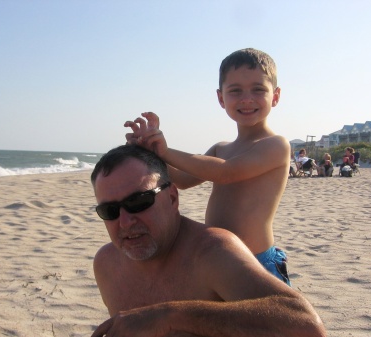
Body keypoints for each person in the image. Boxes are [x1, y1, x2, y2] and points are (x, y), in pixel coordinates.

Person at [90, 144, 325, 337]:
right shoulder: (107, 264)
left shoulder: (212, 252)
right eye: (110, 211)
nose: (125, 221)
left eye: (138, 202)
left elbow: (307, 326)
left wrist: (170, 317)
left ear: (172, 198)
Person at [124, 48, 292, 285]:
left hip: (255, 261)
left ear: (275, 96)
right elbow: (182, 180)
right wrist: (150, 152)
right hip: (216, 258)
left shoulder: (276, 145)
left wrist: (167, 151)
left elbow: (226, 173)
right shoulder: (220, 148)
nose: (246, 98)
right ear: (221, 98)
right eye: (235, 91)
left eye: (258, 89)